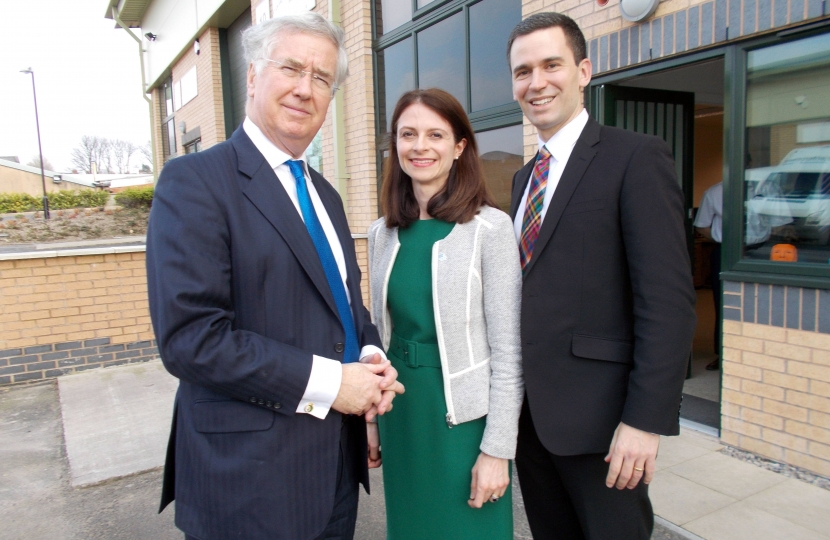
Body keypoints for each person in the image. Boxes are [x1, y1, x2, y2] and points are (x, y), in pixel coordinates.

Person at [146, 12, 403, 540]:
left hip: (333, 472)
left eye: (322, 78)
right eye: (291, 68)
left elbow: (344, 308)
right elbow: (192, 341)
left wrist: (370, 355)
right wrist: (336, 384)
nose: (305, 89)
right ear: (253, 75)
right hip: (247, 485)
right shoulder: (195, 182)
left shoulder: (326, 195)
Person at [506, 13, 696, 539]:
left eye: (551, 65)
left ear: (584, 70)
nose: (536, 82)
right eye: (523, 72)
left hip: (604, 426)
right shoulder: (525, 179)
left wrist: (645, 420)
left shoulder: (635, 158)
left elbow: (668, 302)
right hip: (531, 423)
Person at [367, 88, 524, 540]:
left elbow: (509, 351)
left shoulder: (490, 229)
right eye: (408, 134)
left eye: (436, 135)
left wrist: (498, 450)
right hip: (403, 414)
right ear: (395, 145)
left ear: (458, 148)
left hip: (463, 422)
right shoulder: (382, 233)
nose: (420, 146)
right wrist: (373, 422)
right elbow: (379, 338)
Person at [694, 182, 723, 371]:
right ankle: (722, 354)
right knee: (722, 304)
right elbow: (702, 225)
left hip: (761, 249)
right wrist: (721, 238)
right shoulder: (715, 192)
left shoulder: (766, 189)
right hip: (726, 249)